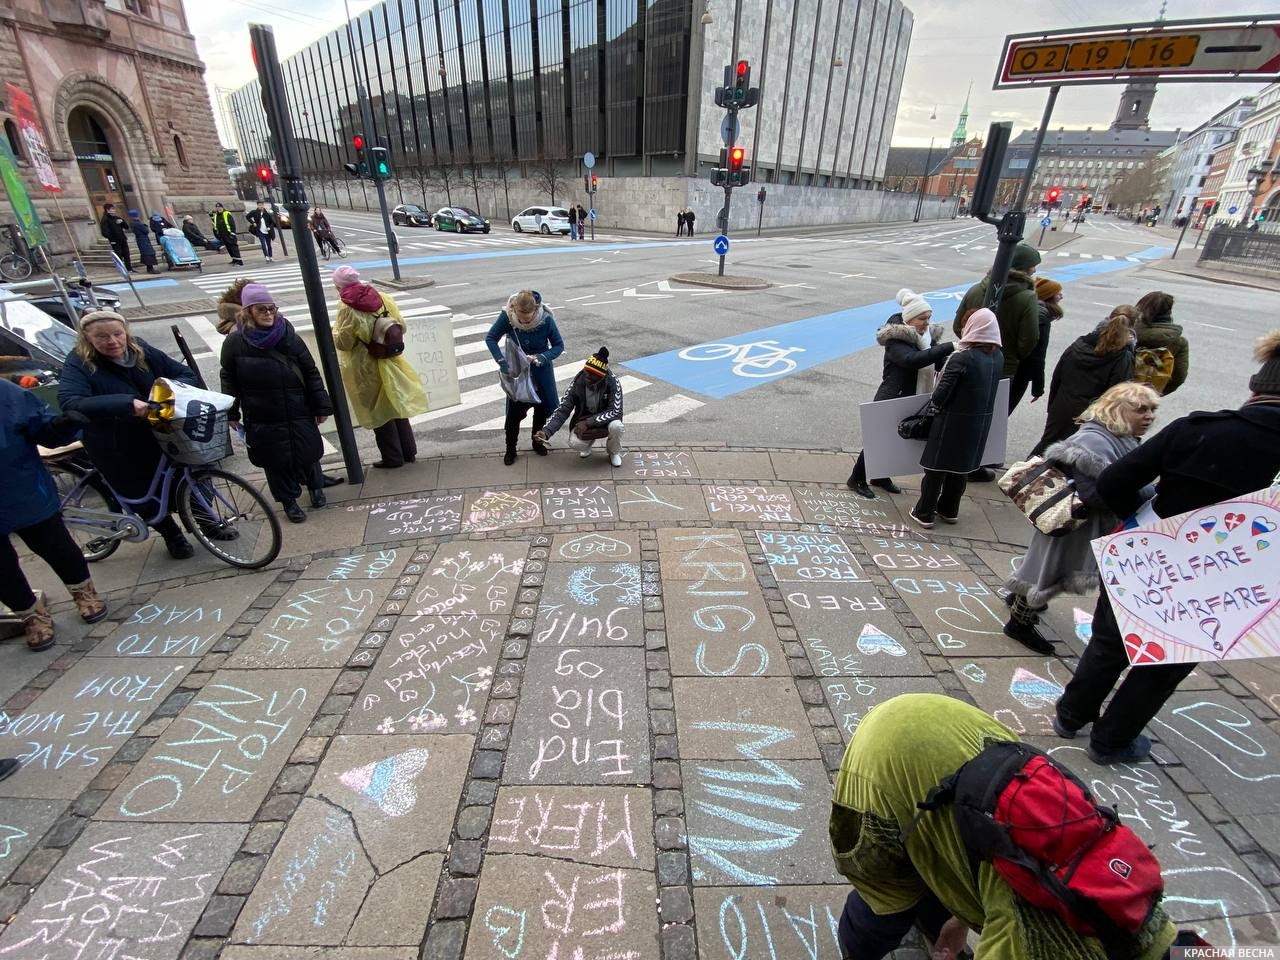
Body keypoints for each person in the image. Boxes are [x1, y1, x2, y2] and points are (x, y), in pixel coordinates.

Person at [1054, 330, 1280, 764]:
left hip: (1154, 557)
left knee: (1109, 641)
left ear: (1257, 389)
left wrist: (1134, 525)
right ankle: (1110, 741)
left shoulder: (1199, 430)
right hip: (1229, 585)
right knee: (1164, 663)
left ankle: (1070, 714)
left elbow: (1114, 481)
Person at [830, 693, 1177, 959]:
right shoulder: (1035, 943)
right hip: (889, 758)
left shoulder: (1149, 918)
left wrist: (958, 921)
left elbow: (1004, 861)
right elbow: (1019, 886)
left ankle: (933, 914)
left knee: (942, 852)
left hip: (957, 731)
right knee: (888, 902)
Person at [1003, 382, 1160, 655]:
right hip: (1072, 524)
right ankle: (1019, 622)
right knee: (1048, 572)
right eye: (1141, 409)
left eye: (1152, 410)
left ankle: (1020, 598)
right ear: (1117, 410)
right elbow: (1096, 493)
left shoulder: (1119, 439)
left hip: (1079, 522)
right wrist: (1141, 489)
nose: (1149, 416)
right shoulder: (1095, 442)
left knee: (1042, 567)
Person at [57, 310, 204, 559]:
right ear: (87, 338)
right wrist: (128, 403)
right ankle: (171, 534)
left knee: (185, 476)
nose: (113, 341)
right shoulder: (80, 362)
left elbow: (184, 373)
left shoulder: (140, 351)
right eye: (102, 337)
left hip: (158, 430)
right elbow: (71, 401)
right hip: (117, 441)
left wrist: (166, 390)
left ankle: (208, 523)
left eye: (117, 334)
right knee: (142, 491)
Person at [1, 379, 108, 652]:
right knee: (1, 569)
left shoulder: (5, 392)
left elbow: (43, 429)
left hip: (23, 491)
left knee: (56, 546)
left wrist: (62, 425)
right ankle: (31, 614)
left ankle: (84, 593)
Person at [220, 284, 332, 524]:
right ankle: (289, 501)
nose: (269, 313)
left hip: (297, 408)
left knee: (308, 452)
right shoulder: (236, 341)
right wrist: (231, 411)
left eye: (272, 308)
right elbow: (228, 377)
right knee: (275, 461)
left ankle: (316, 488)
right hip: (262, 412)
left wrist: (321, 405)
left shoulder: (288, 335)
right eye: (262, 309)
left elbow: (310, 371)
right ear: (248, 311)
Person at [846, 289, 954, 500]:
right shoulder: (896, 339)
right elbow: (911, 360)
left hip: (912, 394)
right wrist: (947, 347)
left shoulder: (926, 338)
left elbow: (934, 361)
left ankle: (880, 477)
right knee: (878, 439)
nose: (926, 323)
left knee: (896, 441)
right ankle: (857, 478)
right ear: (909, 318)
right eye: (922, 318)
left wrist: (949, 356)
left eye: (929, 318)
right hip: (892, 394)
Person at [953, 242, 1041, 480]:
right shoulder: (1026, 297)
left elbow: (957, 326)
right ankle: (974, 465)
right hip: (1003, 366)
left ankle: (953, 459)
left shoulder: (975, 290)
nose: (1034, 274)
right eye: (1032, 270)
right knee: (988, 417)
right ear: (1023, 270)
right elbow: (1028, 341)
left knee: (962, 412)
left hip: (967, 360)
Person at [911, 308, 1003, 529]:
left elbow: (940, 396)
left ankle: (924, 512)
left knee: (936, 469)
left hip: (952, 422)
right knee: (960, 469)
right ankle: (949, 509)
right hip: (979, 423)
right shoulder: (998, 356)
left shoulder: (963, 358)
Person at [332, 265, 430, 469]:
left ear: (339, 287)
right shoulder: (383, 296)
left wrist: (333, 332)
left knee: (379, 413)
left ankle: (392, 458)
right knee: (396, 405)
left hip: (365, 366)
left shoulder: (346, 307)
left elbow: (344, 343)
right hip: (391, 360)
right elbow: (401, 325)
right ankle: (409, 452)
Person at [1030, 305, 1138, 457]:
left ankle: (1023, 475)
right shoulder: (1123, 357)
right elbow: (1117, 394)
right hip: (1090, 415)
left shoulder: (1079, 344)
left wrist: (1053, 405)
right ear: (1133, 326)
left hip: (1062, 405)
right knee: (1071, 455)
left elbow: (1058, 375)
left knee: (1047, 445)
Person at [486, 289, 565, 465]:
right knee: (514, 414)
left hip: (541, 374)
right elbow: (491, 338)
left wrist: (543, 357)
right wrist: (502, 361)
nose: (524, 322)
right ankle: (510, 449)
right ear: (514, 309)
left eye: (528, 319)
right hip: (519, 375)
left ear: (535, 310)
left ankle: (536, 442)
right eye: (521, 319)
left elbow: (559, 346)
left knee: (541, 411)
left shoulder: (546, 319)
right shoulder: (507, 316)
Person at [534, 347, 625, 466]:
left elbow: (615, 411)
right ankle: (587, 444)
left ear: (600, 377)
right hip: (584, 419)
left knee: (617, 426)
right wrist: (546, 432)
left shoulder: (613, 382)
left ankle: (613, 452)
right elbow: (563, 409)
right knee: (575, 443)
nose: (586, 375)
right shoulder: (579, 381)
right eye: (586, 371)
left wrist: (588, 423)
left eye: (591, 374)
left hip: (604, 420)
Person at [1007, 277, 1062, 411]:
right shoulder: (1042, 317)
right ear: (1049, 296)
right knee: (1003, 411)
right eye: (1058, 293)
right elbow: (1038, 355)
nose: (1061, 296)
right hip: (1020, 372)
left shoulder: (1031, 310)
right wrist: (1038, 388)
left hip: (1011, 367)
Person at [1133, 291, 1189, 395]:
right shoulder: (1179, 342)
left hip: (1121, 390)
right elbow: (1179, 377)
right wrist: (1156, 392)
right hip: (1150, 392)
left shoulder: (1130, 332)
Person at [99, 203, 132, 272]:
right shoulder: (105, 219)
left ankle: (129, 268)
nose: (114, 210)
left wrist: (122, 222)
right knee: (118, 255)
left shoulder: (117, 217)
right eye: (112, 209)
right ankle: (121, 270)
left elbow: (126, 227)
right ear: (108, 210)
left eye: (113, 209)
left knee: (126, 254)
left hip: (122, 239)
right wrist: (112, 238)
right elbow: (104, 231)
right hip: (115, 240)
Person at [127, 209, 159, 275]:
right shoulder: (137, 223)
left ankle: (149, 268)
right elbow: (146, 230)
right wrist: (145, 226)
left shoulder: (133, 223)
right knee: (148, 253)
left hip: (141, 239)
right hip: (143, 239)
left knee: (146, 252)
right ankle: (150, 268)